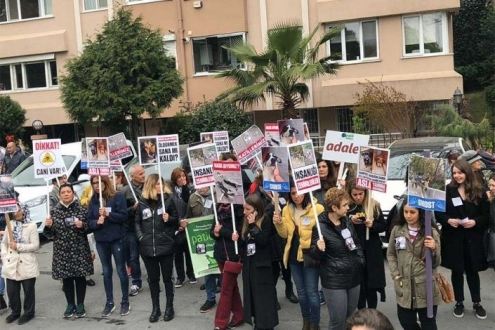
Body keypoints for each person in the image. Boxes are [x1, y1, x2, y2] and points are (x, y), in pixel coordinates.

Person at [435, 159, 489, 319]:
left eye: (460, 172)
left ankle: (477, 302)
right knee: (457, 271)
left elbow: (486, 216)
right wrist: (447, 220)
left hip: (473, 238)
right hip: (454, 238)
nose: (457, 176)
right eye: (454, 173)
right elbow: (439, 213)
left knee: (473, 271)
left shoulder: (479, 191)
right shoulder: (448, 190)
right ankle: (459, 302)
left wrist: (475, 222)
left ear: (467, 172)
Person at [273, 180, 324, 330]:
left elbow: (322, 232)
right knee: (301, 294)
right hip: (294, 257)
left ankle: (315, 324)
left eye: (299, 192)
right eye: (293, 193)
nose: (296, 196)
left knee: (312, 294)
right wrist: (278, 223)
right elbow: (284, 234)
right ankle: (306, 322)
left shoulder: (317, 208)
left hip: (310, 256)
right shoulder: (286, 210)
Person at [311, 187, 364, 330]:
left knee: (349, 319)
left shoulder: (346, 221)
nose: (348, 207)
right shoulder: (320, 227)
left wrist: (360, 261)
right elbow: (315, 257)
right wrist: (318, 248)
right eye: (345, 205)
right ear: (334, 207)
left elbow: (356, 244)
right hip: (334, 281)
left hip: (353, 277)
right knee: (337, 322)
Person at [387, 203, 441, 329]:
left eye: (412, 212)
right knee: (406, 322)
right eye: (406, 212)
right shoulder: (397, 230)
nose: (408, 215)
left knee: (429, 325)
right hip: (404, 285)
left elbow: (436, 262)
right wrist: (395, 275)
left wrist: (434, 249)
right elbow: (391, 254)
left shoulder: (430, 232)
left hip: (425, 287)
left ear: (420, 213)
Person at [43, 183, 93, 318]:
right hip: (62, 250)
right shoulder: (54, 211)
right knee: (67, 279)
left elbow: (90, 228)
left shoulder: (82, 209)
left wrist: (82, 224)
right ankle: (70, 304)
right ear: (59, 195)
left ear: (73, 193)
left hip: (79, 248)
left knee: (80, 277)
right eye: (63, 192)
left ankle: (81, 304)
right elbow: (48, 235)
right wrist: (48, 226)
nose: (66, 194)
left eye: (68, 191)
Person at [135, 174, 178, 322]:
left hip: (165, 246)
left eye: (161, 183)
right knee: (153, 280)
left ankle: (169, 307)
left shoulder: (169, 200)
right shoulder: (142, 203)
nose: (161, 186)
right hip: (147, 248)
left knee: (167, 279)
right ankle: (156, 308)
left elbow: (177, 220)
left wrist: (170, 219)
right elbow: (137, 222)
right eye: (157, 184)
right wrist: (141, 237)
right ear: (150, 186)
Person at [87, 175, 130, 317]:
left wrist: (108, 214)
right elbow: (89, 222)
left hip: (116, 238)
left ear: (105, 183)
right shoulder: (93, 200)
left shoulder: (117, 196)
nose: (96, 185)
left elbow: (123, 216)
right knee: (106, 271)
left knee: (120, 270)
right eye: (94, 183)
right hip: (101, 240)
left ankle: (125, 301)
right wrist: (96, 223)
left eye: (99, 182)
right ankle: (109, 302)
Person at [240, 194, 279, 329]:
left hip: (262, 266)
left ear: (256, 209)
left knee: (264, 298)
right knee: (253, 297)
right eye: (244, 209)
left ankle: (267, 324)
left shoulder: (265, 220)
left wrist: (253, 227)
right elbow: (244, 243)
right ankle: (257, 321)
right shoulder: (245, 221)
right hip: (249, 265)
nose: (245, 212)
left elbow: (263, 241)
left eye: (248, 209)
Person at [347, 183, 386, 309]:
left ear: (365, 193)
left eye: (361, 194)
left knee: (371, 285)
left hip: (372, 250)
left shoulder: (373, 205)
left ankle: (372, 312)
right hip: (355, 250)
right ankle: (361, 313)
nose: (358, 197)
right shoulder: (348, 207)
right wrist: (350, 220)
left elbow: (383, 226)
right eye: (355, 195)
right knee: (359, 286)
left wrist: (372, 225)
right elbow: (340, 225)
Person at [0, 203, 39, 324]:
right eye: (14, 211)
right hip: (11, 263)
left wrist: (18, 246)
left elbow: (35, 245)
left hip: (26, 263)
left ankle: (29, 313)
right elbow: (4, 243)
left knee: (28, 291)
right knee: (12, 292)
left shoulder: (31, 226)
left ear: (24, 211)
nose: (16, 212)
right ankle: (15, 312)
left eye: (18, 210)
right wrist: (5, 255)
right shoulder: (9, 225)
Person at [211, 202, 244, 330]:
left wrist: (223, 231)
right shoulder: (217, 209)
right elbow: (212, 232)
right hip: (220, 255)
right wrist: (215, 232)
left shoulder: (239, 210)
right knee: (231, 287)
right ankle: (239, 315)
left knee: (225, 289)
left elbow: (240, 234)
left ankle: (220, 323)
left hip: (233, 256)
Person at [186, 186, 220, 313]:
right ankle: (210, 298)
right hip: (202, 238)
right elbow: (189, 217)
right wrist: (185, 223)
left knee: (221, 268)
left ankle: (227, 297)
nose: (201, 188)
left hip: (218, 236)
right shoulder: (193, 198)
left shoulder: (219, 194)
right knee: (207, 267)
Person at [121, 165, 145, 297]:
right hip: (131, 228)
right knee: (133, 257)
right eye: (140, 174)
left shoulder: (149, 187)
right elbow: (122, 213)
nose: (143, 175)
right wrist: (132, 209)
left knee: (150, 255)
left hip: (146, 226)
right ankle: (136, 282)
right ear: (133, 176)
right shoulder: (125, 191)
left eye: (143, 172)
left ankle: (154, 278)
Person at [170, 167, 196, 288]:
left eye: (183, 176)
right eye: (179, 177)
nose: (182, 178)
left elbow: (189, 203)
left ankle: (191, 273)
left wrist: (186, 221)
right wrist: (177, 223)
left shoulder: (190, 189)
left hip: (188, 223)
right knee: (178, 253)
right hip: (176, 225)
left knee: (189, 252)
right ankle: (180, 277)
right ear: (174, 179)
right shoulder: (170, 192)